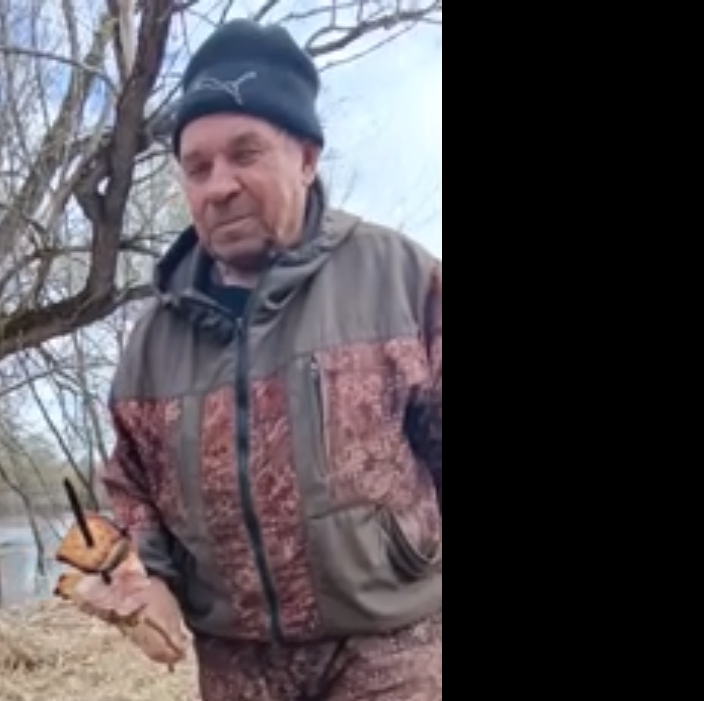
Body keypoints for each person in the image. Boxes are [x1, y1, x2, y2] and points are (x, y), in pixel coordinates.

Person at [71, 18, 442, 701]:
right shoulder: (152, 340)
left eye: (246, 153)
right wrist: (139, 575)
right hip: (236, 667)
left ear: (306, 158)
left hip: (392, 649)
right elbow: (131, 489)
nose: (219, 186)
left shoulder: (401, 280)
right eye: (197, 167)